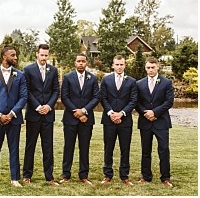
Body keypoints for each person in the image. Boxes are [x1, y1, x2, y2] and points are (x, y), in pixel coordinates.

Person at [0, 46, 27, 187]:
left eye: (16, 55)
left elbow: (23, 96)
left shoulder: (20, 75)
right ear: (4, 57)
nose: (15, 57)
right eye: (12, 55)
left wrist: (12, 114)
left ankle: (15, 178)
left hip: (14, 119)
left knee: (14, 148)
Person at [22, 44, 60, 185]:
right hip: (33, 114)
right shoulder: (28, 70)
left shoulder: (53, 70)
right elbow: (27, 91)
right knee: (30, 145)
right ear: (37, 54)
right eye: (42, 55)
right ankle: (27, 175)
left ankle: (49, 177)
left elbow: (56, 90)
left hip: (48, 115)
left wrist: (49, 106)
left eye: (46, 55)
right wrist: (38, 107)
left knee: (48, 146)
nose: (44, 57)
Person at [59, 53, 99, 185]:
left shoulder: (92, 78)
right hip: (70, 118)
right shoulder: (68, 77)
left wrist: (84, 111)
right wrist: (76, 112)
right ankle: (66, 174)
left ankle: (84, 175)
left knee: (84, 147)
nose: (81, 63)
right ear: (75, 63)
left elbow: (95, 97)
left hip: (86, 119)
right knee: (68, 147)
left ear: (86, 63)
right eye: (78, 61)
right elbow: (64, 97)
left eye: (83, 61)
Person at [135, 57, 174, 187]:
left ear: (157, 67)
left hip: (161, 122)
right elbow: (136, 102)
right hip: (145, 122)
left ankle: (166, 177)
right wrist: (146, 113)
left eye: (153, 67)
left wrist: (155, 112)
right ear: (145, 68)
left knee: (163, 150)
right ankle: (146, 176)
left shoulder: (166, 82)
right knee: (145, 150)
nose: (150, 70)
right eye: (148, 68)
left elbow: (169, 102)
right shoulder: (139, 83)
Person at [99, 55, 137, 185]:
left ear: (125, 65)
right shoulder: (106, 79)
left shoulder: (132, 81)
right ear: (113, 65)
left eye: (121, 65)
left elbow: (133, 100)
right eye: (117, 64)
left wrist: (121, 114)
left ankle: (124, 176)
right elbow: (103, 98)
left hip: (125, 121)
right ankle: (107, 175)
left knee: (125, 148)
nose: (119, 67)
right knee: (108, 148)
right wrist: (111, 113)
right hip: (109, 120)